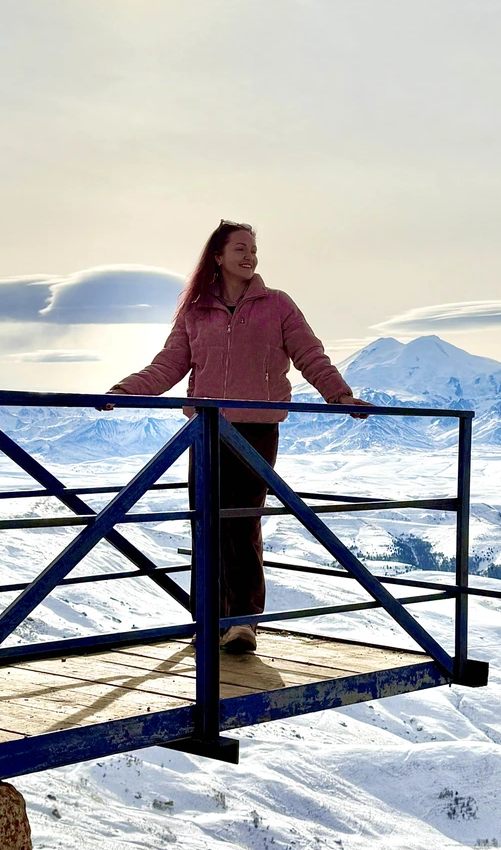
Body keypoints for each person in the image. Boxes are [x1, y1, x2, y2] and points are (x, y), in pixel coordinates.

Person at [105, 221, 369, 655]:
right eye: (241, 249)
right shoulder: (195, 311)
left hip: (255, 429)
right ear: (218, 256)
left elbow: (309, 354)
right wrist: (126, 390)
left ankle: (243, 621)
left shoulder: (278, 306)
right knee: (205, 521)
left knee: (242, 522)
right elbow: (169, 365)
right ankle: (207, 619)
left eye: (254, 250)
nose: (250, 257)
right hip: (206, 429)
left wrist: (339, 395)